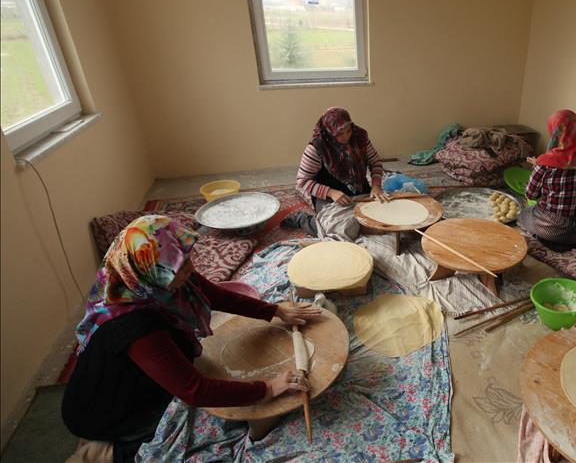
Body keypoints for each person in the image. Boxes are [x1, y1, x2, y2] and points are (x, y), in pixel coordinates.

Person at [62, 215, 321, 462]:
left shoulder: (144, 275)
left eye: (186, 260)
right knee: (193, 432)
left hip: (131, 375)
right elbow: (195, 390)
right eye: (180, 267)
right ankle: (105, 452)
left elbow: (214, 295)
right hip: (107, 411)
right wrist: (268, 388)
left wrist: (275, 311)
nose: (190, 269)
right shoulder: (137, 327)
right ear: (151, 271)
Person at [282, 107, 389, 236]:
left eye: (348, 131)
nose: (346, 136)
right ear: (329, 132)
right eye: (339, 134)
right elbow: (302, 181)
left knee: (383, 218)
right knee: (336, 229)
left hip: (359, 189)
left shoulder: (360, 137)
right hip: (329, 196)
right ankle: (303, 219)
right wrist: (331, 192)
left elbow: (375, 162)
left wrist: (376, 186)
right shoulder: (317, 148)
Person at [517, 109, 576, 252]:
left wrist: (538, 167)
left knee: (524, 213)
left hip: (553, 230)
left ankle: (548, 240)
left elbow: (530, 195)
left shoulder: (544, 164)